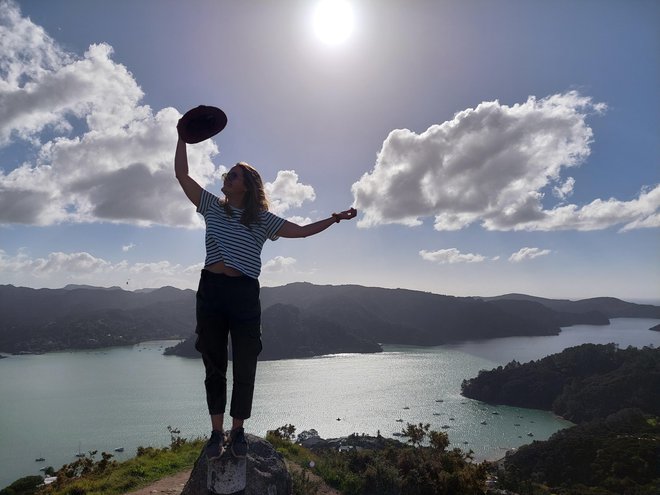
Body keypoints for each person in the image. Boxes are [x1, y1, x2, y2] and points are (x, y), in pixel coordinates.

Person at [174, 136, 357, 459]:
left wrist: (334, 219)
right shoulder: (211, 206)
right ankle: (216, 434)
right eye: (227, 174)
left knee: (245, 363)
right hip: (212, 291)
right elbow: (182, 176)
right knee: (213, 363)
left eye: (233, 175)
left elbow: (300, 231)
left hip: (244, 293)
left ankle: (238, 430)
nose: (226, 178)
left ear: (247, 186)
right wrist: (181, 138)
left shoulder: (262, 220)